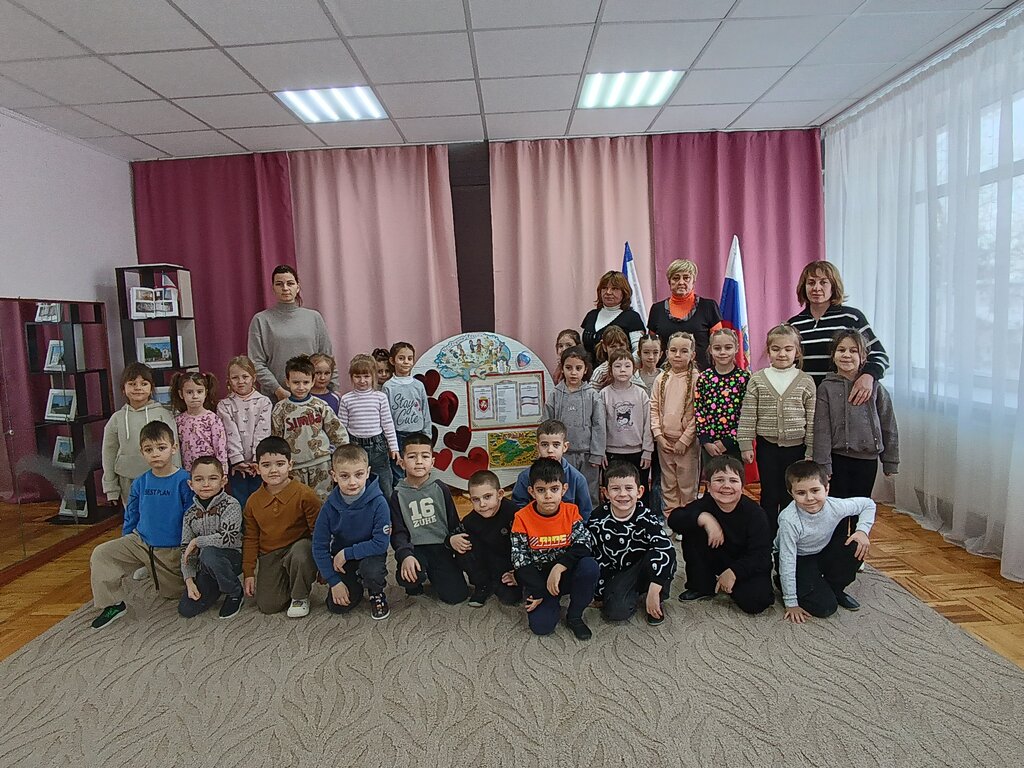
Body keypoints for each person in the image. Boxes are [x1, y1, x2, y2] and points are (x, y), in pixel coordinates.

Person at [89, 420, 192, 629]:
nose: (155, 454)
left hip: (172, 550)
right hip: (140, 542)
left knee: (173, 594)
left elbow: (192, 517)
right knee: (102, 554)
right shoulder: (140, 482)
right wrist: (127, 539)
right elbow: (132, 514)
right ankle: (113, 604)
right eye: (149, 449)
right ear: (142, 452)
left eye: (161, 448)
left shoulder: (185, 480)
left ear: (173, 448)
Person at [667, 456, 773, 614]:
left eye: (733, 480)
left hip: (743, 562)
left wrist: (734, 572)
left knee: (756, 601)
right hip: (713, 557)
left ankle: (729, 581)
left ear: (742, 486)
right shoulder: (704, 504)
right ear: (708, 486)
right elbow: (674, 519)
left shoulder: (755, 514)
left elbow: (761, 555)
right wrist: (704, 518)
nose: (726, 486)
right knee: (690, 523)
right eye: (719, 480)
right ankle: (701, 585)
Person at [737, 324, 815, 535]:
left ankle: (790, 536)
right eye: (776, 349)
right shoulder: (758, 379)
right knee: (770, 495)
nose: (782, 354)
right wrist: (745, 444)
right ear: (768, 350)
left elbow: (812, 419)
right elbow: (748, 414)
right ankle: (768, 536)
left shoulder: (806, 381)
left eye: (788, 349)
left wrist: (810, 449)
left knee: (792, 494)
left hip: (797, 450)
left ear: (797, 352)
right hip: (767, 447)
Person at [511, 458, 599, 640]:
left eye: (554, 489)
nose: (548, 496)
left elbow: (584, 544)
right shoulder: (521, 517)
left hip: (565, 572)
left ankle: (574, 616)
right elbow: (520, 561)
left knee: (590, 566)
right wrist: (540, 591)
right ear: (531, 492)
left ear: (564, 489)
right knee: (541, 627)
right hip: (540, 578)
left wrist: (559, 567)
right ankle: (551, 602)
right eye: (541, 490)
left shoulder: (571, 511)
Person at [777, 461, 876, 622]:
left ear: (826, 488)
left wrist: (862, 531)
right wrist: (791, 602)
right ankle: (782, 583)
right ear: (791, 493)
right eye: (801, 493)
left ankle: (835, 589)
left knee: (856, 544)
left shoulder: (835, 505)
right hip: (798, 557)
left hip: (821, 550)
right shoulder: (789, 519)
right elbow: (787, 559)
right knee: (826, 607)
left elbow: (868, 504)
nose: (810, 498)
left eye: (815, 490)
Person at [813, 330, 900, 497]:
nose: (846, 355)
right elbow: (821, 430)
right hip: (837, 459)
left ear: (863, 357)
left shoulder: (876, 388)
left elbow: (888, 425)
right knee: (837, 506)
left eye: (853, 351)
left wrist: (890, 460)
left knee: (860, 504)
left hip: (867, 460)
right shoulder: (825, 388)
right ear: (833, 355)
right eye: (841, 350)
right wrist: (823, 464)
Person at [587, 461, 676, 625]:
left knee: (664, 554)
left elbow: (666, 549)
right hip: (619, 572)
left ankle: (654, 595)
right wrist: (599, 593)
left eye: (629, 488)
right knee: (615, 612)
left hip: (646, 565)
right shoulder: (597, 518)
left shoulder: (646, 517)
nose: (622, 494)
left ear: (639, 491)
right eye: (615, 489)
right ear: (606, 493)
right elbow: (596, 555)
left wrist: (655, 587)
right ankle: (634, 592)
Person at [242, 436, 321, 617]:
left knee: (302, 552)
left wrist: (323, 567)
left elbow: (318, 532)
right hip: (270, 554)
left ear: (290, 465)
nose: (273, 470)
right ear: (257, 468)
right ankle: (289, 582)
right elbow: (251, 538)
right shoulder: (253, 501)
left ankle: (300, 596)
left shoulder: (305, 495)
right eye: (266, 465)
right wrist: (248, 572)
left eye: (279, 464)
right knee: (268, 606)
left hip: (299, 548)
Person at [788, 260, 890, 400]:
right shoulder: (794, 324)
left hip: (842, 400)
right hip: (804, 400)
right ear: (803, 287)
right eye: (811, 283)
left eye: (823, 282)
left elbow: (879, 355)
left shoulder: (851, 318)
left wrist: (869, 376)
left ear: (834, 286)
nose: (816, 288)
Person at [312, 444, 392, 621]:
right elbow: (318, 546)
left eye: (359, 474)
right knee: (337, 607)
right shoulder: (329, 507)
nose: (352, 482)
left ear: (368, 472)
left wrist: (347, 553)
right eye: (344, 476)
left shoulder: (379, 503)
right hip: (343, 561)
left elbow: (381, 543)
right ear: (334, 476)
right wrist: (334, 581)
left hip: (370, 554)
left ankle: (376, 592)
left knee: (371, 571)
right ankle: (355, 582)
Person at [389, 433, 469, 604]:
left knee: (456, 596)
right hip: (415, 548)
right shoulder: (397, 494)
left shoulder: (441, 488)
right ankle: (416, 580)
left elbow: (453, 521)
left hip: (441, 547)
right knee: (409, 577)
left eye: (425, 456)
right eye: (412, 456)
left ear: (432, 462)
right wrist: (405, 555)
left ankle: (436, 573)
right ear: (402, 462)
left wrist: (453, 538)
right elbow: (398, 532)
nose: (419, 461)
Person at [247, 264, 336, 400]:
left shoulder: (314, 317)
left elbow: (327, 357)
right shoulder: (261, 320)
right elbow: (256, 362)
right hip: (277, 398)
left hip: (314, 397)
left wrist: (334, 389)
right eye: (279, 284)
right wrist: (278, 390)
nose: (285, 288)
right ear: (273, 288)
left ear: (297, 287)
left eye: (290, 283)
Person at [270, 354, 349, 501]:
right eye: (296, 382)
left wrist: (344, 457)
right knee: (296, 501)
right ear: (287, 382)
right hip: (294, 466)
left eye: (305, 382)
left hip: (321, 463)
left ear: (312, 382)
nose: (301, 387)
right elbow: (276, 440)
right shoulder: (280, 409)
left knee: (323, 501)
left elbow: (337, 432)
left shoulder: (320, 405)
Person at [101, 362, 179, 506]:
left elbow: (174, 450)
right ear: (123, 388)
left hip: (160, 477)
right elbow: (108, 453)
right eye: (132, 384)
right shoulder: (117, 418)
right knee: (134, 516)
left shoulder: (163, 415)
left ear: (151, 388)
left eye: (144, 384)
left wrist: (176, 480)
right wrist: (111, 488)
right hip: (127, 479)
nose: (138, 388)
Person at [177, 456, 244, 620]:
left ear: (223, 481)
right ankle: (218, 584)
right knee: (186, 609)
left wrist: (197, 541)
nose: (206, 484)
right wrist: (189, 580)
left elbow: (227, 538)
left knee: (208, 553)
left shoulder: (231, 505)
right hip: (206, 565)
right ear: (191, 484)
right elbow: (186, 549)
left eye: (212, 478)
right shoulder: (190, 515)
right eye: (199, 479)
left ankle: (235, 592)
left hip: (233, 559)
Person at [544, 345, 604, 507]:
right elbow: (546, 424)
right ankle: (565, 519)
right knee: (564, 491)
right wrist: (549, 451)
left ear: (585, 370)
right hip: (562, 455)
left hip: (587, 455)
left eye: (578, 368)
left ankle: (590, 519)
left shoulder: (592, 395)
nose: (573, 373)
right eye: (569, 368)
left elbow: (599, 425)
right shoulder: (555, 394)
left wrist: (597, 454)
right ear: (562, 368)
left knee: (589, 492)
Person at [651, 332, 699, 518]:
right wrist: (658, 436)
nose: (678, 355)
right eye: (673, 350)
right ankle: (671, 519)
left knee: (687, 485)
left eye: (684, 351)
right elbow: (654, 408)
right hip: (665, 442)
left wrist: (685, 440)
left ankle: (687, 522)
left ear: (692, 355)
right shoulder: (661, 378)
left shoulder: (697, 379)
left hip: (687, 444)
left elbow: (698, 414)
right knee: (668, 484)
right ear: (666, 353)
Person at [456, 470, 521, 607]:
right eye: (476, 499)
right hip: (486, 560)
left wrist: (518, 573)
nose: (482, 504)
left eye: (487, 497)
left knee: (510, 598)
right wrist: (451, 540)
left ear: (500, 494)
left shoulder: (515, 514)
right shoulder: (470, 520)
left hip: (509, 563)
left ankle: (499, 581)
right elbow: (454, 533)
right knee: (462, 545)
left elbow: (525, 547)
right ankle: (482, 585)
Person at [339, 354, 399, 500]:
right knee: (357, 484)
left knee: (385, 485)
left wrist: (394, 447)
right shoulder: (346, 399)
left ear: (373, 376)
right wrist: (341, 450)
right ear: (351, 377)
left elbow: (387, 424)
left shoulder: (380, 397)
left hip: (378, 447)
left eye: (366, 376)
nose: (362, 381)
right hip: (355, 446)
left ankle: (388, 512)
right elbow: (341, 428)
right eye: (357, 376)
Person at [217, 355, 272, 510]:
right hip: (237, 466)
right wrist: (237, 461)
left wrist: (256, 459)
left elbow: (263, 432)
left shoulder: (264, 402)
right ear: (229, 380)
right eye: (235, 378)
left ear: (253, 378)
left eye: (245, 377)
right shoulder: (224, 405)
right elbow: (230, 434)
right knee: (240, 502)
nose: (240, 381)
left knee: (261, 501)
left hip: (258, 464)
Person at [647, 258, 723, 370]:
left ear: (693, 281)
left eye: (686, 278)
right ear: (669, 282)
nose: (681, 282)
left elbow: (719, 344)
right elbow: (652, 346)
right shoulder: (656, 309)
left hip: (702, 374)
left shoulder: (708, 306)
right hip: (665, 375)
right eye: (676, 278)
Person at [510, 420, 593, 521]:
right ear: (537, 447)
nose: (550, 450)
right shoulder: (525, 477)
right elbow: (518, 508)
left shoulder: (577, 479)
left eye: (556, 445)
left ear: (565, 447)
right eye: (545, 445)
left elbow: (585, 514)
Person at [695, 328, 750, 464]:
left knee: (732, 476)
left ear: (736, 348)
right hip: (709, 446)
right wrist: (706, 441)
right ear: (710, 350)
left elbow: (747, 414)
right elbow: (699, 410)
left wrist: (728, 441)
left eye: (728, 347)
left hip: (735, 444)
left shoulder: (743, 378)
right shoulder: (704, 378)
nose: (723, 352)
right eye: (717, 348)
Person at [601, 349, 653, 489]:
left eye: (627, 366)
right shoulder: (604, 394)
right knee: (613, 487)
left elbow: (648, 424)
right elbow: (599, 426)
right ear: (610, 370)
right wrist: (600, 451)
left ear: (634, 369)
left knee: (638, 488)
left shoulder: (641, 393)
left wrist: (647, 450)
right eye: (617, 366)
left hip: (637, 452)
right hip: (612, 452)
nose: (622, 370)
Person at [383, 341, 432, 483]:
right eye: (401, 358)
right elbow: (385, 416)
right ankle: (400, 493)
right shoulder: (388, 387)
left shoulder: (418, 385)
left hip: (417, 434)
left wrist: (427, 435)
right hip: (398, 435)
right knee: (398, 469)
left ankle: (418, 491)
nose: (406, 362)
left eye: (409, 358)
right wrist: (389, 442)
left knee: (418, 466)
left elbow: (425, 411)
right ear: (392, 360)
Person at [170, 371, 227, 473]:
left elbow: (220, 447)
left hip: (210, 471)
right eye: (189, 392)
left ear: (206, 393)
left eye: (199, 392)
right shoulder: (178, 421)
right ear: (181, 394)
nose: (195, 396)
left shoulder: (212, 418)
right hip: (188, 472)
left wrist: (223, 471)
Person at [580, 270, 646, 358]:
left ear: (624, 292)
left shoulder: (632, 317)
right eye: (604, 288)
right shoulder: (591, 315)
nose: (608, 292)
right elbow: (581, 347)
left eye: (614, 289)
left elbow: (638, 352)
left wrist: (620, 365)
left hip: (620, 366)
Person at [590, 326, 645, 391]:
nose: (618, 349)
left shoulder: (633, 368)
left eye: (621, 345)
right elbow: (591, 395)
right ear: (604, 347)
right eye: (613, 346)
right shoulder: (600, 372)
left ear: (627, 345)